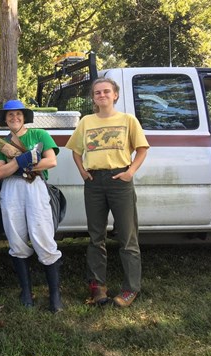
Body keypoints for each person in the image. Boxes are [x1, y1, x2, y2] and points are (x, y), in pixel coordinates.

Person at [65, 77, 149, 307]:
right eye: (97, 93)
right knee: (95, 236)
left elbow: (141, 149)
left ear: (115, 95)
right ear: (93, 97)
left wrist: (130, 172)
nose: (101, 95)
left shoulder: (128, 121)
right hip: (94, 181)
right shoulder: (86, 122)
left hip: (119, 179)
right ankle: (97, 286)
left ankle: (130, 288)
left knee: (127, 237)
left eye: (106, 91)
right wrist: (82, 171)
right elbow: (75, 150)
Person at [0, 99, 64, 313]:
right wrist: (21, 162)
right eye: (10, 115)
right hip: (11, 189)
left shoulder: (39, 135)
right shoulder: (0, 143)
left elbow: (51, 161)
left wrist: (23, 165)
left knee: (42, 235)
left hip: (35, 187)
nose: (14, 118)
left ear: (24, 117)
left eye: (18, 115)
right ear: (5, 119)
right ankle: (26, 291)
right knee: (16, 237)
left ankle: (55, 295)